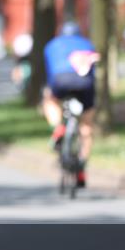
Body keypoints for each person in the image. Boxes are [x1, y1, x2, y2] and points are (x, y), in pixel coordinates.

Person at [43, 21, 100, 188]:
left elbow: (50, 71)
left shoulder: (51, 45)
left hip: (60, 80)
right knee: (87, 124)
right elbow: (93, 71)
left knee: (50, 100)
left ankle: (58, 127)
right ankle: (82, 166)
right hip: (85, 84)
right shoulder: (87, 44)